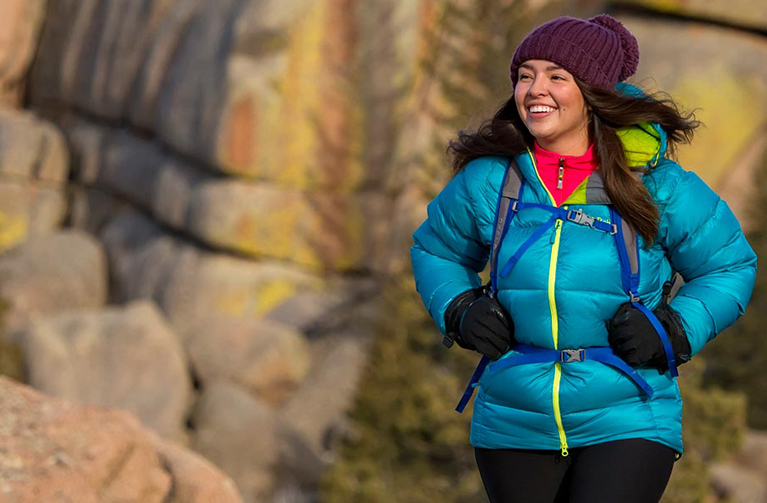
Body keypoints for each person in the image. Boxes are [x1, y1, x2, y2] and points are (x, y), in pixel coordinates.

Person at [410, 14, 757, 503]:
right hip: (513, 417)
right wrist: (459, 309)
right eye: (525, 74)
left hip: (628, 412)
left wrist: (673, 329)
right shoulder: (491, 180)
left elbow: (729, 264)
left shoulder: (655, 183)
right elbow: (434, 249)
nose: (535, 89)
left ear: (592, 92)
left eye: (556, 76)